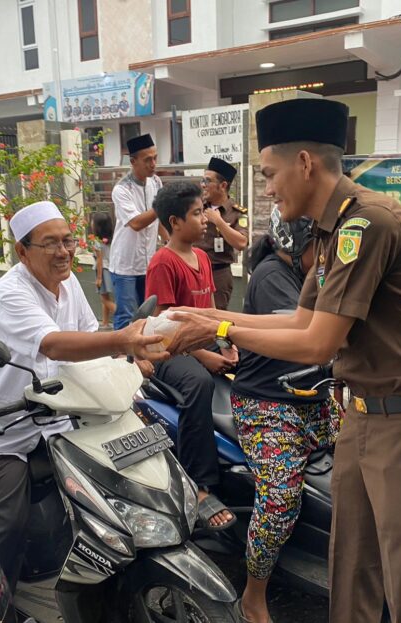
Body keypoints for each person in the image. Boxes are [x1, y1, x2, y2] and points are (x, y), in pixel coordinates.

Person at [168, 98, 401, 623]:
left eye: (270, 174)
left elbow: (317, 345)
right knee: (351, 571)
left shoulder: (366, 224)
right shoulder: (329, 231)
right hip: (363, 419)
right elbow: (298, 321)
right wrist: (208, 317)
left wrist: (215, 327)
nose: (266, 188)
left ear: (305, 163)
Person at [0, 201, 168, 589]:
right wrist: (122, 339)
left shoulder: (68, 283)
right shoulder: (11, 292)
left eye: (68, 241)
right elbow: (53, 345)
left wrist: (126, 361)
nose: (64, 251)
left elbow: (89, 338)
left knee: (99, 493)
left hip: (57, 416)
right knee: (7, 523)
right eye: (50, 243)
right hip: (3, 428)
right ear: (22, 251)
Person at [231, 208, 340, 623]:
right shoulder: (273, 275)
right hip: (267, 406)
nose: (328, 252)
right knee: (279, 500)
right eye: (321, 245)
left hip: (314, 398)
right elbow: (306, 337)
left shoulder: (320, 272)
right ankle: (253, 594)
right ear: (297, 245)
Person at [145, 181, 237, 532]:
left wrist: (227, 341)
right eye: (197, 214)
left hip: (203, 341)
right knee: (199, 384)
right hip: (170, 351)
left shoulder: (201, 257)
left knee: (260, 362)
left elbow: (211, 311)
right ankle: (198, 486)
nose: (205, 221)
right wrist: (208, 358)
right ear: (175, 222)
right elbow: (167, 328)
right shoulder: (162, 263)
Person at [108, 133, 164, 329]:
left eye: (155, 158)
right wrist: (164, 205)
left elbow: (160, 220)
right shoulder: (121, 189)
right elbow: (137, 223)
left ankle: (141, 357)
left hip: (148, 263)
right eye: (147, 160)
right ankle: (119, 359)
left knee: (146, 315)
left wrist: (170, 244)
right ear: (133, 161)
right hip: (126, 266)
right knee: (126, 315)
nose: (153, 164)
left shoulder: (156, 182)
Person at [197, 157, 248, 310]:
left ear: (223, 185)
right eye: (202, 180)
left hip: (218, 272)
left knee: (215, 318)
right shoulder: (197, 206)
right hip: (195, 270)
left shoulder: (237, 212)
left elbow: (241, 242)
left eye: (207, 181)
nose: (203, 185)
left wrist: (218, 221)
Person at [90, 211, 116, 328]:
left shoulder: (96, 242)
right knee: (106, 297)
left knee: (104, 299)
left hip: (102, 271)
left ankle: (122, 313)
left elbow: (99, 260)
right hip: (111, 269)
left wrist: (99, 278)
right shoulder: (112, 239)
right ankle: (105, 323)